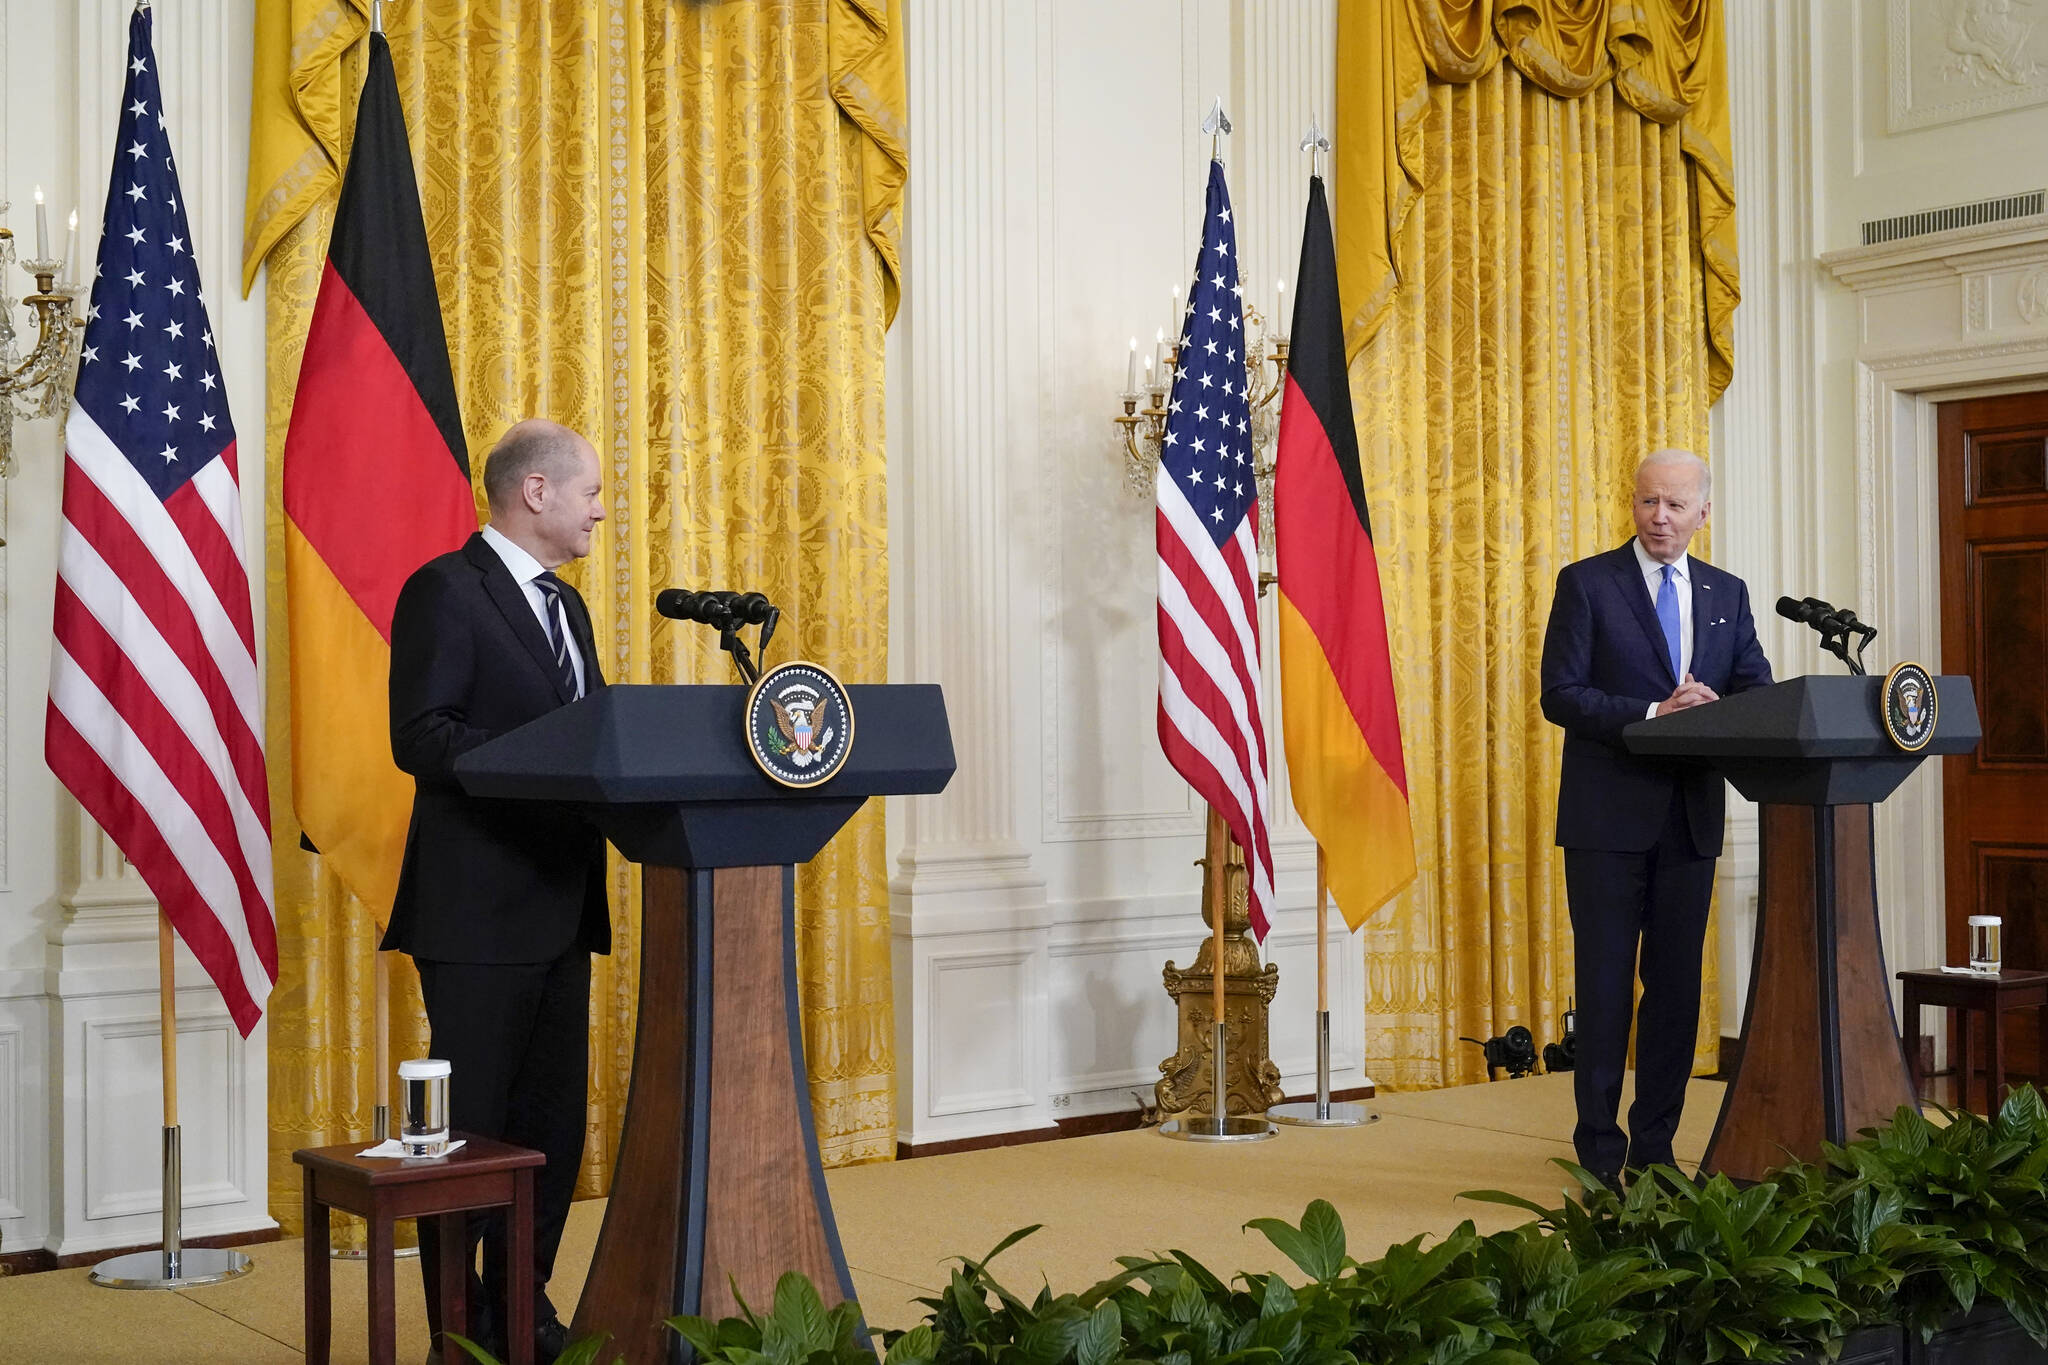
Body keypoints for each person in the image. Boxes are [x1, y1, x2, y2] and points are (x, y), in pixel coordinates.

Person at [382, 418, 611, 1364]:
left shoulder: (572, 610)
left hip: (562, 908)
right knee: (471, 1137)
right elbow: (421, 736)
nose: (603, 508)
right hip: (476, 916)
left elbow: (596, 740)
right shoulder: (446, 589)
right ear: (537, 492)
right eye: (591, 491)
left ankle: (522, 1306)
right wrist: (542, 762)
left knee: (549, 1132)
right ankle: (454, 1328)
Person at [1538, 448, 1773, 1190]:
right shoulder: (1588, 584)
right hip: (1607, 821)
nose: (1660, 517)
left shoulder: (1727, 594)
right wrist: (1652, 712)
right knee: (1606, 989)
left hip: (1690, 821)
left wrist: (1720, 710)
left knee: (1673, 991)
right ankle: (1601, 1150)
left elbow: (1758, 693)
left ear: (1705, 513)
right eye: (1648, 502)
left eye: (1675, 505)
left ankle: (1656, 1150)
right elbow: (1561, 694)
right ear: (1633, 506)